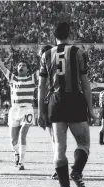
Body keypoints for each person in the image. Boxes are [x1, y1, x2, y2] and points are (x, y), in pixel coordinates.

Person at [38, 21, 97, 187]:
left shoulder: (46, 54)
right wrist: (91, 109)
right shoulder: (78, 52)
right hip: (75, 100)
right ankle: (77, 172)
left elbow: (41, 87)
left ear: (54, 36)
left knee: (59, 149)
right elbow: (85, 84)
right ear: (69, 35)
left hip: (56, 102)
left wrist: (41, 112)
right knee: (83, 142)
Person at [0, 44, 36, 171]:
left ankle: (21, 162)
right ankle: (16, 153)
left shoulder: (32, 79)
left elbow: (44, 69)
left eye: (24, 65)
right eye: (20, 65)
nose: (21, 66)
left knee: (22, 136)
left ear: (28, 70)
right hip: (14, 110)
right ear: (17, 68)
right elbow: (1, 66)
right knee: (13, 140)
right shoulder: (12, 78)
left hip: (27, 109)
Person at [38, 44, 59, 180]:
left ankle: (59, 168)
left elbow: (41, 86)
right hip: (65, 99)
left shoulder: (45, 67)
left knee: (54, 138)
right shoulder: (62, 65)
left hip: (50, 102)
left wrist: (40, 112)